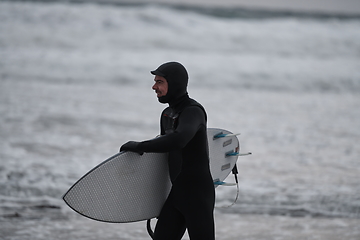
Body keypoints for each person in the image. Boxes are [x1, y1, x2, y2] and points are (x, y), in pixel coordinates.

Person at [120, 62, 215, 240]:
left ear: (175, 83)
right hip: (177, 194)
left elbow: (179, 139)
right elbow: (165, 159)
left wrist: (141, 146)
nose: (154, 86)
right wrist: (156, 199)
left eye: (160, 82)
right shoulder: (167, 114)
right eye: (155, 81)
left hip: (198, 196)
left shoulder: (193, 112)